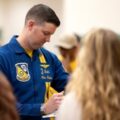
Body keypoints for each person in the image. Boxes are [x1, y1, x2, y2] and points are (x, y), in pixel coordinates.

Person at [0, 4, 68, 120]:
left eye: (51, 35)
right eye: (46, 33)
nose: (48, 40)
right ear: (30, 25)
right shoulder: (3, 57)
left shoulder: (50, 58)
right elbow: (3, 107)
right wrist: (42, 108)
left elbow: (68, 83)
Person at [56, 28, 120, 120]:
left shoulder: (72, 103)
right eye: (61, 48)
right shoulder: (57, 61)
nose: (63, 52)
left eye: (66, 48)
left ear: (77, 49)